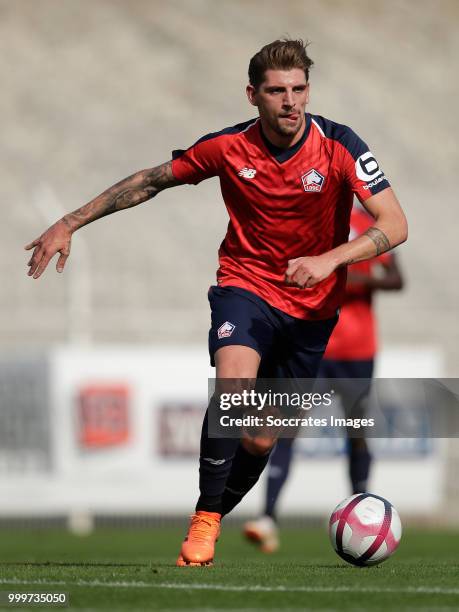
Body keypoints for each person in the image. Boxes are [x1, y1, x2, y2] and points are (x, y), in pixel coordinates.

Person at [25, 39, 408, 566]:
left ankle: (210, 517)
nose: (290, 102)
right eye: (277, 91)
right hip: (245, 285)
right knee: (234, 385)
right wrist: (70, 221)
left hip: (312, 309)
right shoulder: (228, 147)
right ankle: (204, 524)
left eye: (299, 89)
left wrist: (331, 259)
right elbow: (151, 182)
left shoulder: (340, 144)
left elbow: (395, 224)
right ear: (253, 95)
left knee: (259, 440)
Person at [243, 205, 404, 553]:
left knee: (357, 431)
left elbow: (397, 279)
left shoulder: (370, 224)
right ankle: (267, 517)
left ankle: (362, 511)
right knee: (287, 427)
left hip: (358, 351)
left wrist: (347, 274)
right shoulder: (307, 218)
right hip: (313, 346)